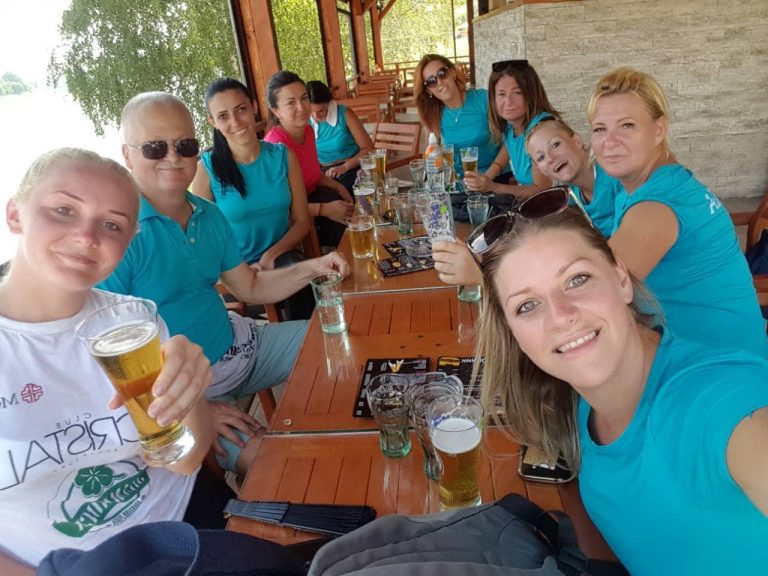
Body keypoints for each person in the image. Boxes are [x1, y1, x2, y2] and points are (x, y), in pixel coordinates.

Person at [476, 208, 768, 575]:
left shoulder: (723, 405)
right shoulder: (577, 400)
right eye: (527, 305)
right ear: (514, 335)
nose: (561, 315)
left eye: (577, 279)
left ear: (621, 279)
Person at [99, 92, 349, 478]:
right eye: (154, 147)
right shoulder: (116, 238)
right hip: (191, 393)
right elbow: (105, 364)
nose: (173, 157)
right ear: (127, 155)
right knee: (279, 467)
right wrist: (195, 410)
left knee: (344, 341)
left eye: (185, 145)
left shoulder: (209, 215)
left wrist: (315, 267)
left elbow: (250, 287)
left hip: (242, 345)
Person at [0, 148, 214, 572]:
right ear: (15, 214)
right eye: (63, 210)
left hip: (183, 529)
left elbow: (186, 460)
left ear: (129, 241)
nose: (86, 236)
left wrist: (191, 391)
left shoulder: (133, 322)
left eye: (112, 224)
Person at [587, 67, 767, 357]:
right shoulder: (657, 181)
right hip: (709, 347)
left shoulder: (656, 208)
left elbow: (592, 299)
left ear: (659, 130)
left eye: (627, 125)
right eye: (599, 129)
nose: (610, 141)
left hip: (718, 366)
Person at [191, 77, 314, 320]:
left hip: (282, 259)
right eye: (223, 116)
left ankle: (309, 340)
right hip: (234, 275)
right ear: (213, 122)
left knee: (303, 283)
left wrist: (271, 255)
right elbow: (203, 241)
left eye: (241, 110)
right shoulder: (206, 170)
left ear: (254, 107)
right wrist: (239, 270)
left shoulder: (283, 156)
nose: (236, 122)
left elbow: (302, 221)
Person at [264, 71, 354, 248]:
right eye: (291, 103)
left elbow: (314, 175)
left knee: (357, 211)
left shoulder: (308, 131)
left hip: (314, 199)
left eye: (304, 98)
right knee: (349, 230)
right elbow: (279, 206)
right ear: (276, 111)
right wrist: (325, 209)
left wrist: (339, 187)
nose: (302, 107)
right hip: (291, 220)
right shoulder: (274, 146)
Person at [464, 59, 559, 198]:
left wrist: (493, 187)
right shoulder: (512, 126)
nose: (508, 102)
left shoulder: (542, 131)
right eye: (501, 94)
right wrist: (484, 179)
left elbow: (541, 191)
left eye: (517, 93)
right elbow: (501, 160)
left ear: (531, 94)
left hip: (556, 206)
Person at [525, 118, 620, 237]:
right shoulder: (571, 201)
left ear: (577, 141)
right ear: (542, 171)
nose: (550, 158)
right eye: (541, 158)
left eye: (555, 145)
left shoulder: (616, 173)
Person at [414, 54, 500, 178]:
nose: (440, 82)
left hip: (495, 177)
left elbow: (510, 137)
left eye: (442, 74)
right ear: (428, 90)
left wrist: (488, 177)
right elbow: (431, 154)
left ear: (452, 72)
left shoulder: (483, 99)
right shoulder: (435, 115)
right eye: (431, 81)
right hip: (459, 181)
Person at [307, 79, 374, 193]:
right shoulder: (306, 121)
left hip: (351, 166)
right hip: (324, 171)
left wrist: (345, 167)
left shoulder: (344, 114)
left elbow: (369, 149)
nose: (315, 116)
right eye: (310, 111)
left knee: (343, 192)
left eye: (321, 111)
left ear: (329, 103)